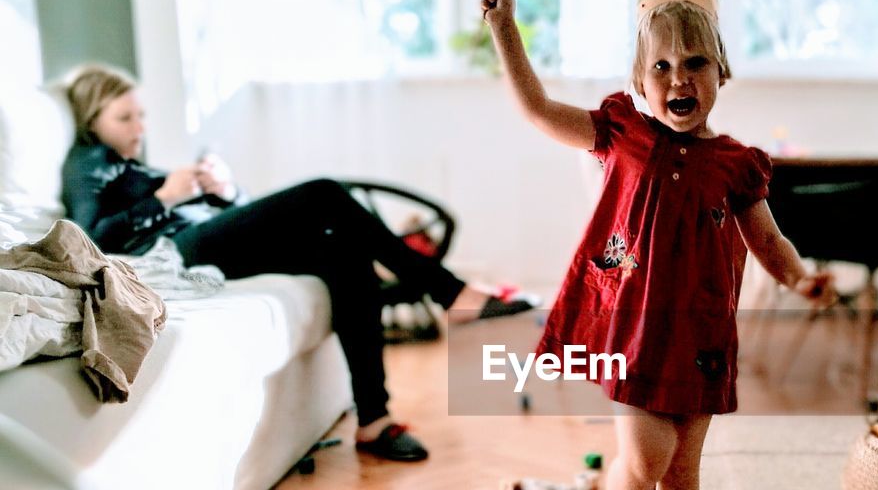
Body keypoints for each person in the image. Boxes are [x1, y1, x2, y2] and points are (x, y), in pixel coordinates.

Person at [483, 0, 832, 490]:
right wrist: (505, 29)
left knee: (683, 470)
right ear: (641, 81)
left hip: (702, 333)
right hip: (636, 328)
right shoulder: (620, 133)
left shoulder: (736, 164)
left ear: (721, 71)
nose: (679, 78)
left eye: (695, 63)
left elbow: (767, 240)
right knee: (647, 454)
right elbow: (534, 108)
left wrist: (800, 277)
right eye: (662, 67)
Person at [60, 65, 536, 462]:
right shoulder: (87, 161)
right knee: (325, 192)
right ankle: (450, 292)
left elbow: (218, 210)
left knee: (345, 254)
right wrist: (166, 196)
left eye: (140, 115)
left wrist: (226, 193)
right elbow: (95, 236)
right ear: (91, 119)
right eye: (124, 117)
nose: (138, 127)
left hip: (199, 239)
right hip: (170, 255)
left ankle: (374, 420)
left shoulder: (133, 165)